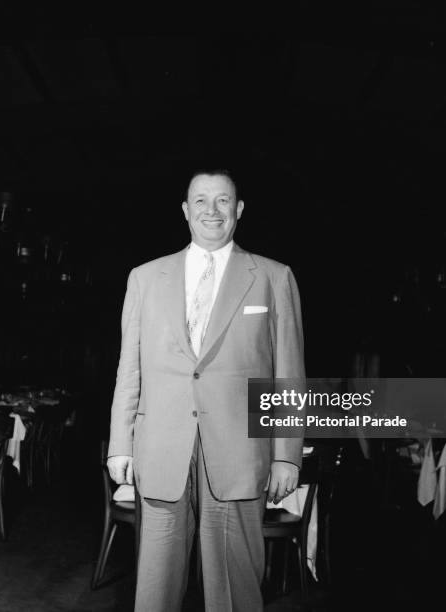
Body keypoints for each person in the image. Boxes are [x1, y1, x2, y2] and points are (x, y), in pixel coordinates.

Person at [107, 170, 306, 611]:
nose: (211, 211)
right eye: (201, 201)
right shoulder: (144, 277)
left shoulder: (274, 277)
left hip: (238, 454)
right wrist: (120, 444)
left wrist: (285, 455)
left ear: (238, 210)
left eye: (222, 201)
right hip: (160, 451)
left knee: (234, 591)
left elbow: (288, 376)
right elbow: (129, 368)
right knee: (155, 590)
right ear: (185, 210)